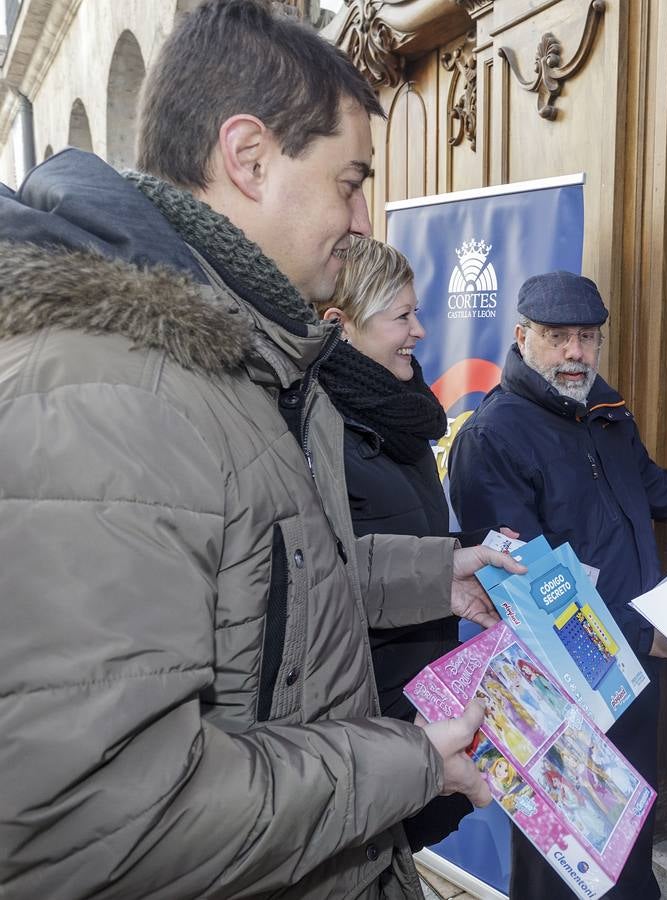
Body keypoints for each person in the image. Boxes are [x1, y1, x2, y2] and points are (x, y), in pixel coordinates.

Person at [0, 2, 525, 896]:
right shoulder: (110, 393)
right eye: (349, 181)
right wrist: (407, 766)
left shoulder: (243, 354)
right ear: (248, 158)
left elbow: (268, 584)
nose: (361, 219)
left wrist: (433, 576)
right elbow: (99, 816)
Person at [448, 270, 667, 899]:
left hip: (629, 679)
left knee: (628, 847)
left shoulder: (604, 411)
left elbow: (655, 488)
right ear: (522, 337)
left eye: (586, 337)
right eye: (556, 337)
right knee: (560, 866)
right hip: (557, 695)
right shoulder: (491, 437)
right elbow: (519, 591)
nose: (574, 353)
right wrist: (638, 632)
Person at [314, 235, 475, 851]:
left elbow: (402, 534)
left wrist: (466, 552)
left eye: (419, 312)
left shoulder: (397, 414)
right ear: (340, 325)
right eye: (402, 316)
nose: (420, 332)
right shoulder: (322, 433)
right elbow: (333, 576)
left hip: (419, 687)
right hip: (370, 713)